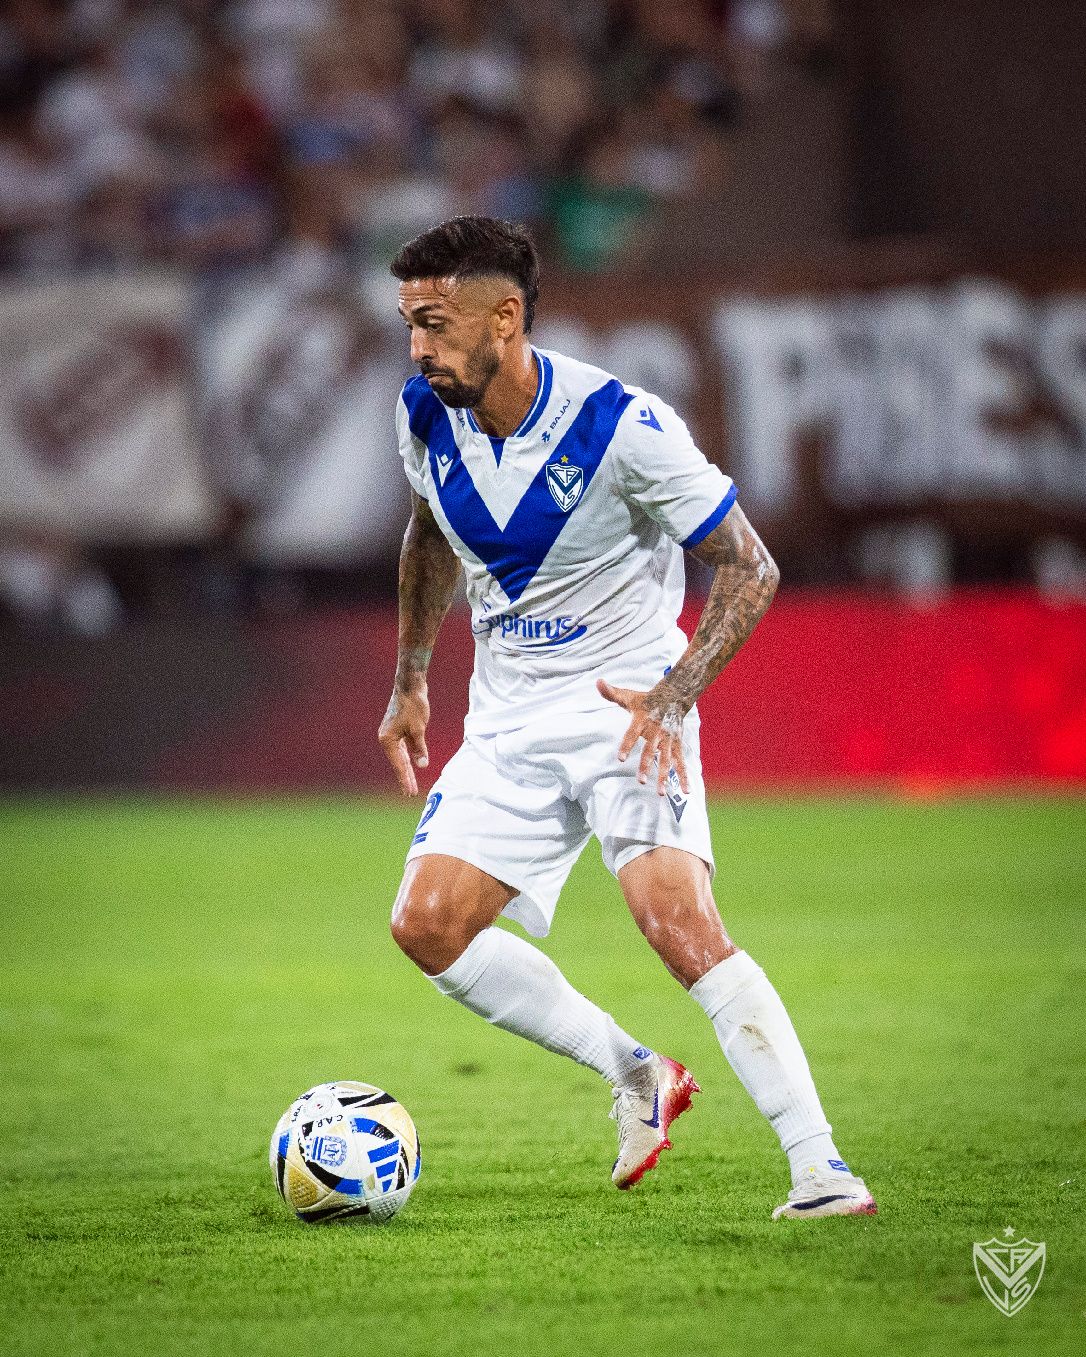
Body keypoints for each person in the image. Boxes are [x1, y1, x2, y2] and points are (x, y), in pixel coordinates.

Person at [378, 215, 875, 1219]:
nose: (418, 348)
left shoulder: (623, 427)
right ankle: (635, 1070)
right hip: (507, 717)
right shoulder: (425, 412)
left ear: (504, 317)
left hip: (628, 705)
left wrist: (677, 693)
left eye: (434, 324)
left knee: (677, 924)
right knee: (425, 925)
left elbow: (750, 564)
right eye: (410, 324)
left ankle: (821, 1168)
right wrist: (412, 676)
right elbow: (429, 533)